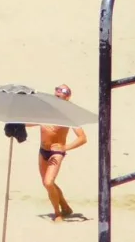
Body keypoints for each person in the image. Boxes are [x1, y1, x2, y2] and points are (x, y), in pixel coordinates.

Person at [38, 84, 87, 221]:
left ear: (67, 98)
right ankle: (65, 207)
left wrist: (65, 147)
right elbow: (31, 122)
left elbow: (82, 138)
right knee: (48, 183)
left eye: (61, 97)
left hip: (56, 153)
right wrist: (17, 125)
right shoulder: (46, 112)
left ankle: (57, 213)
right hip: (43, 151)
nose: (57, 99)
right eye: (56, 96)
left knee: (48, 182)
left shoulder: (68, 115)